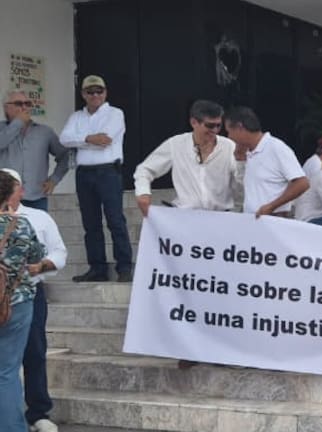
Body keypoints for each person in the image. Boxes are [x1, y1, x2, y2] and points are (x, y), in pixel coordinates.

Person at [2, 169, 66, 432]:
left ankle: (38, 412)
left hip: (27, 293)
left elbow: (58, 252)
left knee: (34, 351)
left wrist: (42, 266)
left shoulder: (38, 218)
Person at [60, 75, 132, 282]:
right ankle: (97, 268)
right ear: (83, 94)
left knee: (115, 220)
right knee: (90, 223)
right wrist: (89, 138)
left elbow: (105, 140)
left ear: (105, 92)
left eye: (99, 91)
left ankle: (124, 267)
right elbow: (64, 139)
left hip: (108, 172)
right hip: (84, 173)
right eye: (90, 92)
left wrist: (80, 140)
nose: (95, 95)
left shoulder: (115, 113)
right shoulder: (76, 117)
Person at [0, 170, 47, 432]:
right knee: (6, 373)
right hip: (14, 303)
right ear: (9, 195)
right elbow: (36, 257)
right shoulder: (20, 224)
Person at [133, 99, 241, 216]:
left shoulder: (230, 146)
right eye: (210, 125)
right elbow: (145, 169)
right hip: (185, 216)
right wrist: (143, 193)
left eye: (218, 125)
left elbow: (241, 183)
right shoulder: (176, 144)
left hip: (220, 216)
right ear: (194, 122)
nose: (215, 130)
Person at [222, 107, 309, 218]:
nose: (229, 137)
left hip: (273, 219)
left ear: (240, 127)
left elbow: (302, 183)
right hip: (253, 219)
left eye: (229, 132)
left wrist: (271, 206)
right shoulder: (250, 152)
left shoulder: (276, 148)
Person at [0, 90, 70, 211]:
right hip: (5, 198)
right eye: (18, 103)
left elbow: (65, 155)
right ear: (6, 107)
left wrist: (54, 179)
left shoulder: (45, 132)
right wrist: (18, 123)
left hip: (36, 198)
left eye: (27, 104)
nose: (24, 107)